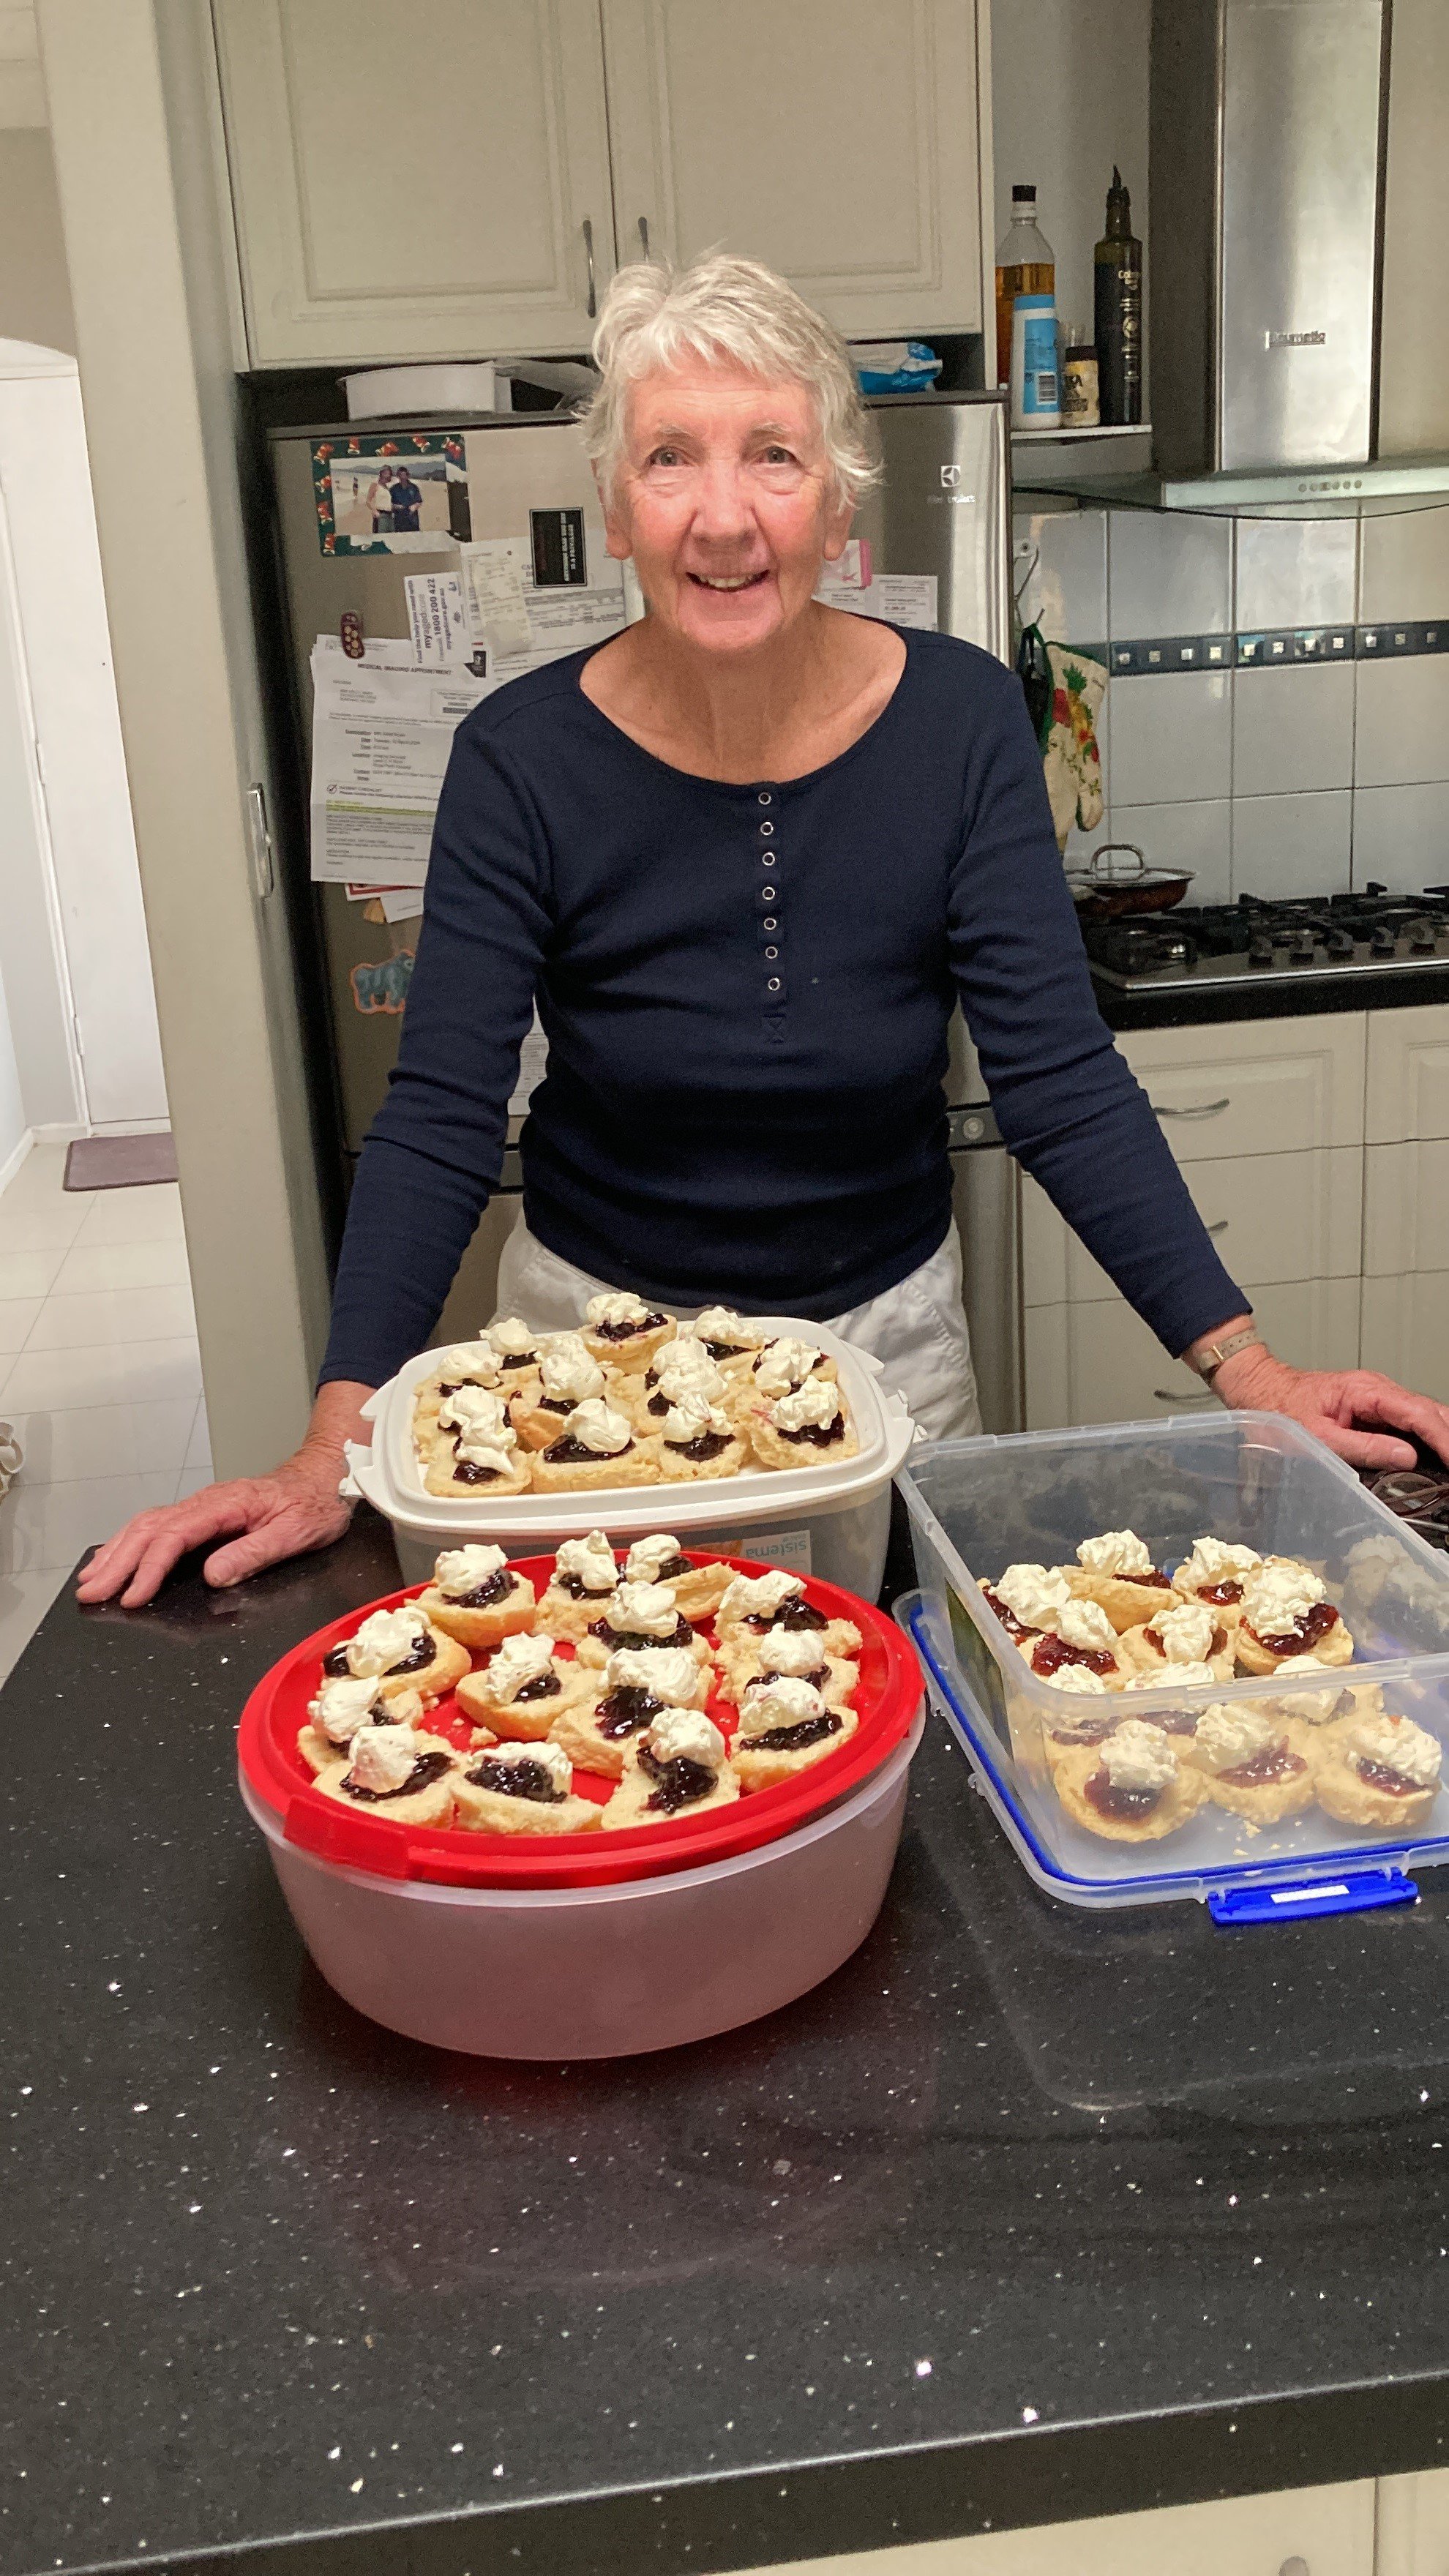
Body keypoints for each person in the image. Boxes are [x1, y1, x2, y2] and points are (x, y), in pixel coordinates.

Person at [81, 253, 1449, 1609]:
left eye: (774, 459)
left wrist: (1252, 1375)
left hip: (885, 1352)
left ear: (840, 503)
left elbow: (1058, 1079)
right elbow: (442, 1109)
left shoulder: (962, 723)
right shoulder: (520, 759)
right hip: (594, 1363)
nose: (722, 518)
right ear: (616, 508)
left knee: (877, 1703)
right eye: (671, 458)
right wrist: (336, 1447)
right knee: (614, 1723)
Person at [387, 466, 423, 532]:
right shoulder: (394, 489)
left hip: (412, 520)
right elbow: (388, 503)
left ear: (407, 475)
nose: (402, 477)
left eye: (404, 475)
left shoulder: (414, 487)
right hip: (399, 520)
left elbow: (419, 501)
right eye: (400, 475)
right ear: (398, 476)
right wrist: (395, 506)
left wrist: (415, 506)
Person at [365, 464, 394, 533]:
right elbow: (368, 501)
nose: (387, 475)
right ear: (381, 474)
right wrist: (374, 510)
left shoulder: (387, 488)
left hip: (390, 515)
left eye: (389, 474)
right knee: (380, 537)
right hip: (380, 515)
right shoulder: (375, 485)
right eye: (385, 473)